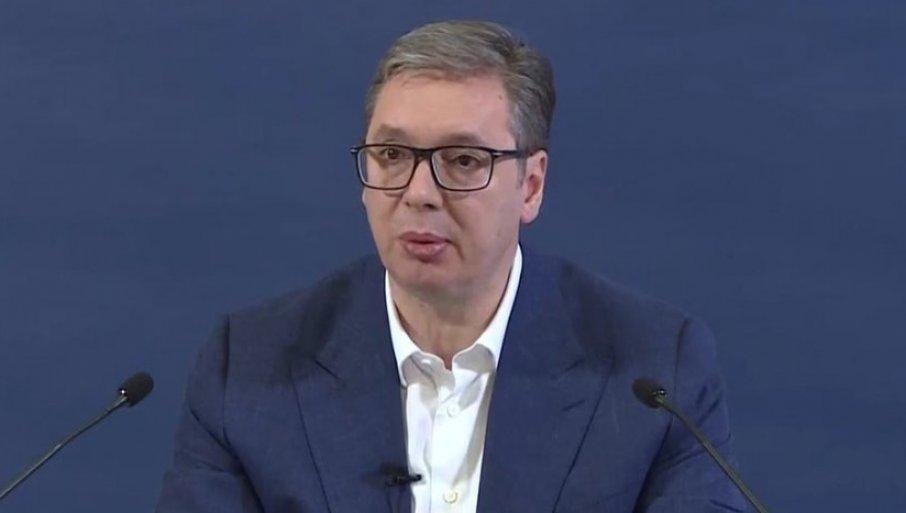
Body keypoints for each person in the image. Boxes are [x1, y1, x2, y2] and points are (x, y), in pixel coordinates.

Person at [156, 20, 747, 513]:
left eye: (463, 160)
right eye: (392, 155)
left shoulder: (654, 371)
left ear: (531, 185)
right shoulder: (249, 369)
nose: (418, 193)